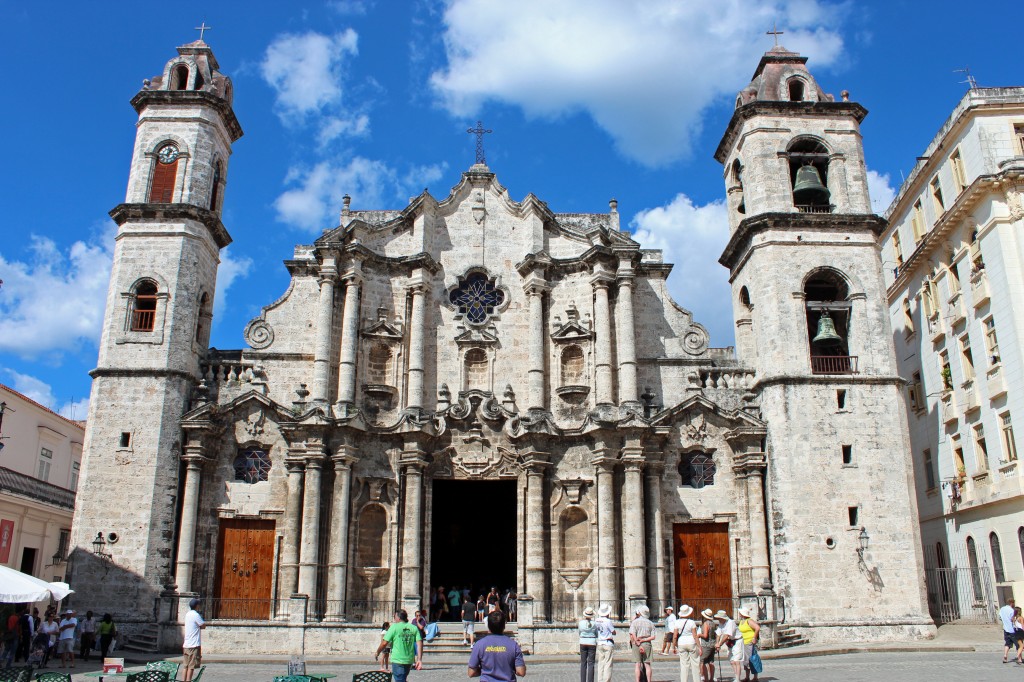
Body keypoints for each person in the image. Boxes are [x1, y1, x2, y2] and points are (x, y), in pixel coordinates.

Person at [468, 609, 525, 681]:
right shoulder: (513, 645)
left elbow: (471, 672)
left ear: (488, 626)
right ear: (504, 626)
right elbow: (521, 672)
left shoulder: (479, 645)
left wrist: (483, 670)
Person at [376, 609, 422, 682]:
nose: (394, 618)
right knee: (402, 678)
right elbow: (419, 643)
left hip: (398, 660)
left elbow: (384, 643)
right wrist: (419, 659)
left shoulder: (394, 627)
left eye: (394, 616)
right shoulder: (413, 628)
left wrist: (377, 652)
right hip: (409, 660)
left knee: (400, 680)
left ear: (399, 618)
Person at [672, 605, 700, 682]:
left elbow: (675, 636)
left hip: (681, 643)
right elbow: (695, 635)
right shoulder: (691, 622)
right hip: (691, 642)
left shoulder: (677, 622)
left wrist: (673, 646)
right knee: (695, 664)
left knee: (684, 665)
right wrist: (699, 646)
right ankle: (697, 680)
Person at [628, 605, 656, 682]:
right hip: (647, 644)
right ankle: (649, 680)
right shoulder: (650, 623)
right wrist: (644, 640)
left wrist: (637, 641)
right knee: (647, 664)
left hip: (636, 644)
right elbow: (653, 637)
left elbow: (632, 633)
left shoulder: (634, 622)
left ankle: (637, 681)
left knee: (637, 664)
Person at [714, 610, 743, 682]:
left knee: (736, 660)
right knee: (732, 660)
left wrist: (720, 644)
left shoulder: (731, 623)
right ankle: (736, 676)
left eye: (719, 618)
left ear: (723, 618)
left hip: (737, 641)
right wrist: (717, 643)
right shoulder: (721, 623)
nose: (718, 620)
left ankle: (738, 679)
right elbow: (718, 633)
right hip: (729, 642)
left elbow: (727, 635)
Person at [183, 598, 205, 681]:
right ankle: (188, 680)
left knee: (185, 666)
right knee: (191, 666)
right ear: (197, 606)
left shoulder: (187, 614)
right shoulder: (196, 615)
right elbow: (203, 625)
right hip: (193, 644)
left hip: (186, 644)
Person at [737, 606, 760, 682]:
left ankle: (755, 677)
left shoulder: (749, 621)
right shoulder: (742, 621)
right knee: (745, 660)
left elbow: (757, 628)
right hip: (743, 642)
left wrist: (754, 638)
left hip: (749, 642)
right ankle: (747, 677)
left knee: (751, 659)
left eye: (740, 613)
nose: (739, 614)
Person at [595, 604, 616, 682]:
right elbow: (613, 631)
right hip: (607, 643)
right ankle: (606, 680)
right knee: (608, 663)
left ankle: (600, 680)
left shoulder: (596, 620)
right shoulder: (608, 621)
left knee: (601, 663)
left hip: (600, 643)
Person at [578, 606, 598, 682]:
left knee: (583, 663)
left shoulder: (580, 623)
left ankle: (583, 680)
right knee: (591, 663)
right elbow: (596, 634)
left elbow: (579, 632)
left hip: (583, 642)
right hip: (592, 642)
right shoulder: (594, 624)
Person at [697, 608, 716, 682]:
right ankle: (711, 678)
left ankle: (706, 678)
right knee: (711, 662)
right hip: (712, 644)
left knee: (702, 661)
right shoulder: (713, 623)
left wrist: (699, 635)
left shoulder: (706, 623)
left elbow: (705, 635)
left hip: (706, 645)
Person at [1003, 598, 1018, 664]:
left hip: (1005, 628)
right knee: (1018, 644)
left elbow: (1000, 618)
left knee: (1007, 643)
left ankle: (1005, 655)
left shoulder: (1002, 609)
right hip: (1012, 629)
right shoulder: (1012, 610)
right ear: (1012, 603)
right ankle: (1019, 658)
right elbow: (1013, 619)